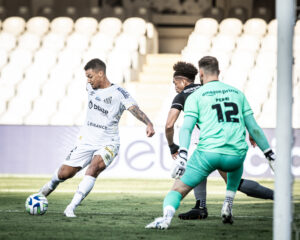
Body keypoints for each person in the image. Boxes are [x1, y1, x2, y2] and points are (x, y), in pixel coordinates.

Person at [146, 56, 275, 229]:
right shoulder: (235, 92)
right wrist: (268, 152)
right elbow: (254, 127)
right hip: (235, 150)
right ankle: (219, 204)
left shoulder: (188, 96)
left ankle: (170, 217)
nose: (175, 87)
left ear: (186, 80)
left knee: (185, 180)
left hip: (209, 149)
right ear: (218, 72)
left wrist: (176, 150)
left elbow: (174, 126)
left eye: (175, 83)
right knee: (236, 179)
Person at [38, 58, 155, 217]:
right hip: (86, 141)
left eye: (90, 76)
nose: (88, 80)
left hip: (108, 142)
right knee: (63, 174)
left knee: (93, 169)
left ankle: (71, 207)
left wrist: (148, 123)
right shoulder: (90, 87)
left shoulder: (119, 93)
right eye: (86, 77)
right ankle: (41, 193)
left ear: (101, 73)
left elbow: (135, 109)